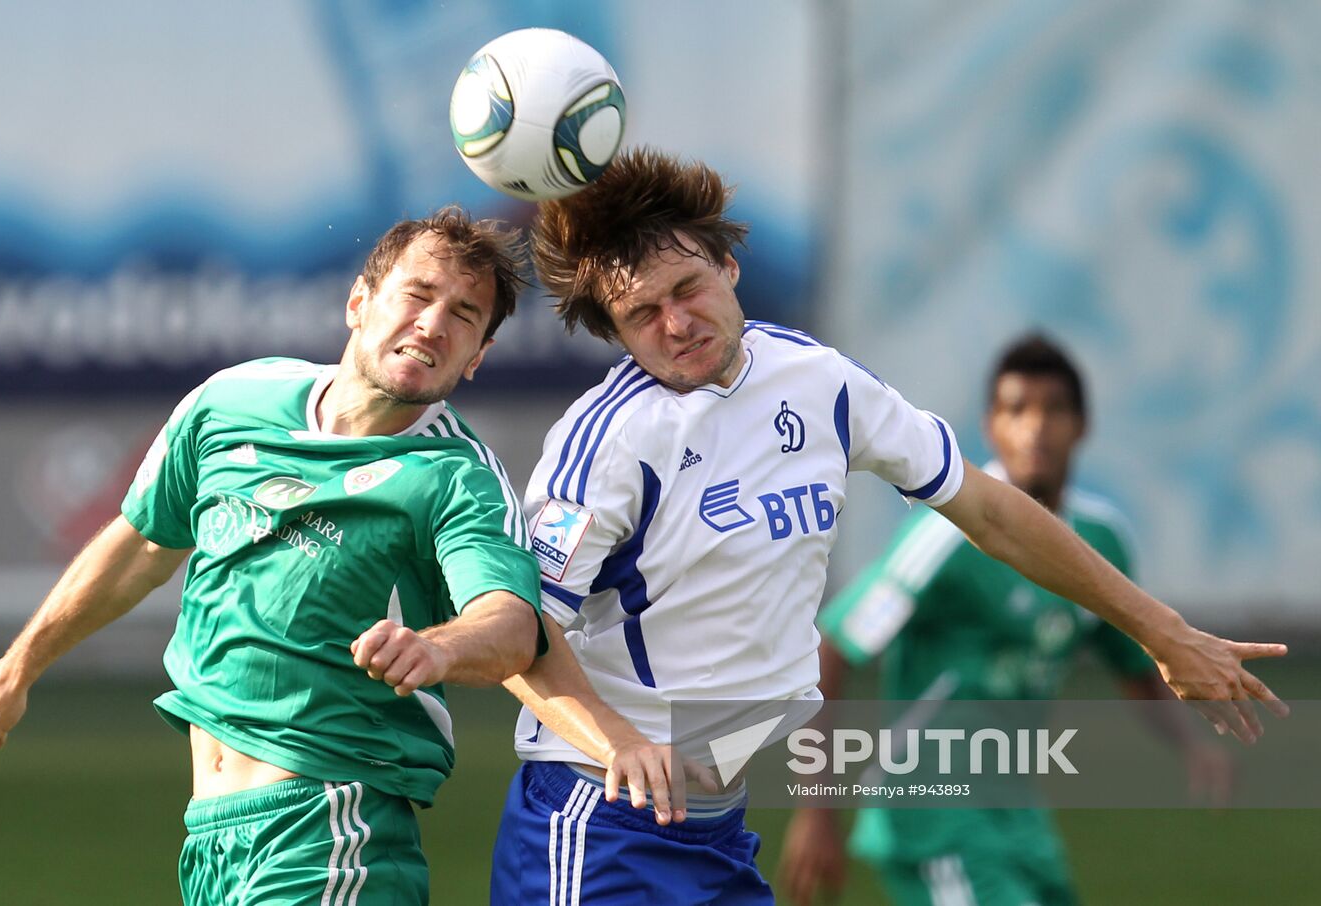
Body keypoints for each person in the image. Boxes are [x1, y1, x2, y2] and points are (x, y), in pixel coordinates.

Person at [489, 147, 1286, 905]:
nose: (675, 323)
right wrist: (615, 741)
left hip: (716, 827)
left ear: (728, 266)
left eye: (687, 288)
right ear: (616, 333)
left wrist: (1163, 631)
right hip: (597, 824)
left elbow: (995, 511)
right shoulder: (608, 440)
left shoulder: (817, 380)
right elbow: (521, 633)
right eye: (642, 314)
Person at [0, 206, 548, 905]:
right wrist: (15, 670)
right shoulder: (233, 401)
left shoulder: (455, 476)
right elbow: (144, 541)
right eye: (418, 295)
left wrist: (439, 649)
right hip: (212, 839)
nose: (433, 324)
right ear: (360, 302)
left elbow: (510, 621)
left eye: (464, 315)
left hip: (327, 834)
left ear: (476, 357)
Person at [778, 334, 1235, 906]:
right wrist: (816, 811)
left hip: (1017, 816)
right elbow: (836, 648)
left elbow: (1135, 663)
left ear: (1083, 425)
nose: (1036, 427)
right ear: (991, 424)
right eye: (1018, 409)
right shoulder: (945, 535)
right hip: (932, 812)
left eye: (1055, 409)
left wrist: (1192, 742)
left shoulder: (1101, 541)